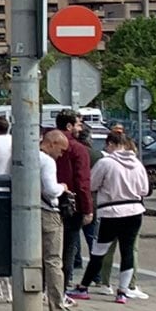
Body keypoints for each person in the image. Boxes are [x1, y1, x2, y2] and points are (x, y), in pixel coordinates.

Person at [80, 129, 150, 304]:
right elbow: (144, 190)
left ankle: (83, 287)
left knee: (99, 250)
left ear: (111, 144)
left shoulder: (106, 163)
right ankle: (122, 292)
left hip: (111, 211)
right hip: (135, 211)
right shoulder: (137, 164)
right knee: (128, 251)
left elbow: (92, 184)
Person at [54, 111, 95, 301]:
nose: (81, 128)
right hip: (71, 205)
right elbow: (82, 182)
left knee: (49, 248)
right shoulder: (78, 149)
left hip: (47, 202)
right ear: (69, 126)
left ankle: (47, 288)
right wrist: (87, 208)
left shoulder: (47, 144)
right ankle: (60, 291)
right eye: (78, 124)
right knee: (68, 249)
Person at [38, 128, 76, 311]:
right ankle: (57, 305)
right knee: (53, 260)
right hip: (48, 213)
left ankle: (32, 301)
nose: (61, 155)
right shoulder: (47, 161)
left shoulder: (25, 156)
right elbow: (51, 190)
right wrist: (63, 187)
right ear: (51, 143)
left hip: (27, 214)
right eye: (60, 150)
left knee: (32, 259)